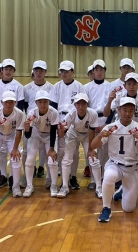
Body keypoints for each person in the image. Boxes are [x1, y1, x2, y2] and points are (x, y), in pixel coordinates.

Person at [90, 97, 138, 223]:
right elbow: (93, 146)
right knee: (109, 176)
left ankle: (122, 190)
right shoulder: (111, 127)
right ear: (119, 109)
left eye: (130, 110)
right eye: (124, 110)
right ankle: (106, 208)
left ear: (134, 111)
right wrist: (100, 135)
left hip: (132, 168)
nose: (127, 113)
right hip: (115, 164)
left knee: (128, 209)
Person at [104, 72, 138, 198]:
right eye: (129, 84)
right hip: (120, 132)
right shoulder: (118, 97)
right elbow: (108, 114)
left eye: (134, 84)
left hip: (136, 131)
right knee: (118, 159)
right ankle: (121, 184)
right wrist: (110, 100)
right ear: (125, 85)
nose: (131, 86)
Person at [0, 58, 24, 188]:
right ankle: (3, 176)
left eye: (10, 69)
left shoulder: (18, 86)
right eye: (6, 69)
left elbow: (20, 106)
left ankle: (12, 177)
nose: (8, 71)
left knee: (14, 153)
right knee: (0, 153)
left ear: (14, 71)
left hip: (12, 123)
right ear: (1, 70)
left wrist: (14, 120)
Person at [49, 60, 85, 191]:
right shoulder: (56, 87)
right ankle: (64, 178)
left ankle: (73, 176)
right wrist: (56, 123)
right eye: (62, 71)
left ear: (72, 72)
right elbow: (53, 106)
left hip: (74, 119)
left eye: (67, 71)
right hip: (60, 119)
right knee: (61, 151)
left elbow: (83, 105)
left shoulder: (79, 86)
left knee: (74, 152)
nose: (64, 73)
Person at [56, 93, 100, 198]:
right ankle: (65, 186)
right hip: (73, 133)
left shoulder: (93, 114)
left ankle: (99, 187)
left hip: (87, 135)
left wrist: (91, 149)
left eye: (83, 104)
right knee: (67, 159)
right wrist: (60, 130)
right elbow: (62, 135)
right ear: (75, 105)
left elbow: (92, 131)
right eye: (78, 104)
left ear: (87, 104)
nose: (81, 107)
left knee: (93, 159)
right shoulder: (70, 115)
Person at [0, 90, 25, 198]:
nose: (8, 104)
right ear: (2, 102)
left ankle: (15, 187)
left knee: (16, 157)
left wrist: (15, 149)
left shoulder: (19, 114)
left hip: (12, 135)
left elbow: (19, 131)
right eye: (6, 102)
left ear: (15, 102)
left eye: (11, 102)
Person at [21, 90, 59, 197]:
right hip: (36, 134)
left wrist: (51, 149)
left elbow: (53, 131)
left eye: (45, 101)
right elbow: (27, 135)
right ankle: (29, 186)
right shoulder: (32, 113)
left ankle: (53, 185)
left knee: (52, 160)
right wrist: (27, 129)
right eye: (40, 102)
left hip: (49, 135)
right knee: (29, 160)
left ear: (49, 102)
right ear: (36, 103)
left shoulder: (54, 112)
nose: (42, 104)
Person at [23, 60, 53, 183]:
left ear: (45, 72)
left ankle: (48, 176)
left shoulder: (51, 87)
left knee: (46, 150)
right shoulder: (26, 88)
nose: (38, 73)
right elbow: (25, 105)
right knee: (27, 150)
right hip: (31, 122)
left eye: (41, 70)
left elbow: (53, 105)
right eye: (36, 70)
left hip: (46, 121)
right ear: (33, 71)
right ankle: (27, 176)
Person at [83, 59, 110, 190]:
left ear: (105, 71)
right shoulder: (86, 87)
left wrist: (107, 124)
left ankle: (104, 177)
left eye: (101, 69)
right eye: (96, 70)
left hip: (105, 120)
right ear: (93, 71)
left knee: (105, 152)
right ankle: (94, 179)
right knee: (93, 150)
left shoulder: (110, 86)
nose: (99, 72)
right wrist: (92, 124)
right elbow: (85, 107)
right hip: (92, 120)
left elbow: (113, 107)